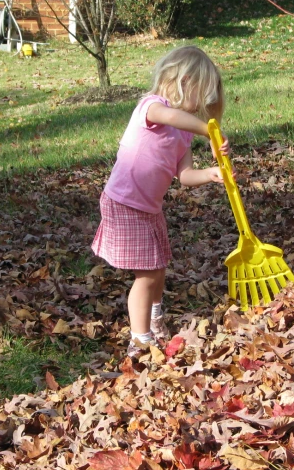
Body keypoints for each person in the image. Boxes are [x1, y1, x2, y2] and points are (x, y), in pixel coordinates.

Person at [91, 45, 230, 357]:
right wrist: (211, 132)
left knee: (159, 266)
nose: (204, 104)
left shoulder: (184, 135)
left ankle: (154, 320)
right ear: (182, 82)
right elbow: (172, 115)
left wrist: (209, 174)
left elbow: (185, 175)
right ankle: (139, 341)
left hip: (149, 206)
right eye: (202, 93)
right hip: (125, 202)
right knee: (148, 273)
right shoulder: (151, 107)